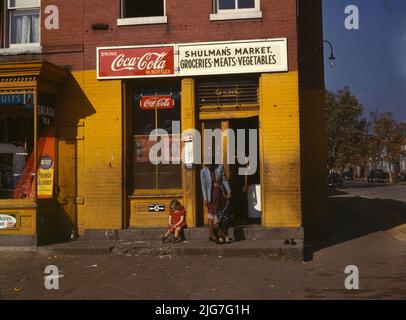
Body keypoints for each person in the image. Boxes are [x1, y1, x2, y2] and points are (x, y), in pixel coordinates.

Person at [200, 159, 232, 244]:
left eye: (211, 165)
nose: (209, 167)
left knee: (219, 213)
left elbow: (224, 180)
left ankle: (220, 233)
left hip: (219, 193)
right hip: (210, 195)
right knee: (211, 213)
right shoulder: (203, 171)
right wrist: (205, 198)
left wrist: (228, 191)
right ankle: (211, 234)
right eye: (208, 165)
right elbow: (203, 186)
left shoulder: (220, 167)